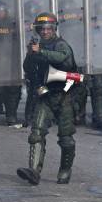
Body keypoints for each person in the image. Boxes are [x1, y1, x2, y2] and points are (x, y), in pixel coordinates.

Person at [17, 12, 77, 185]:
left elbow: (60, 58)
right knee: (36, 134)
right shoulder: (37, 46)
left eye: (48, 28)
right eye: (41, 29)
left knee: (66, 138)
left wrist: (40, 51)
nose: (44, 32)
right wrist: (30, 54)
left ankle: (65, 170)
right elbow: (29, 68)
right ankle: (34, 171)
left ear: (54, 29)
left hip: (65, 94)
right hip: (46, 96)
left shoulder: (61, 45)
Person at [0, 0, 22, 125]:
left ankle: (11, 115)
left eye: (1, 11)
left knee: (13, 89)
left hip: (12, 59)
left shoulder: (13, 23)